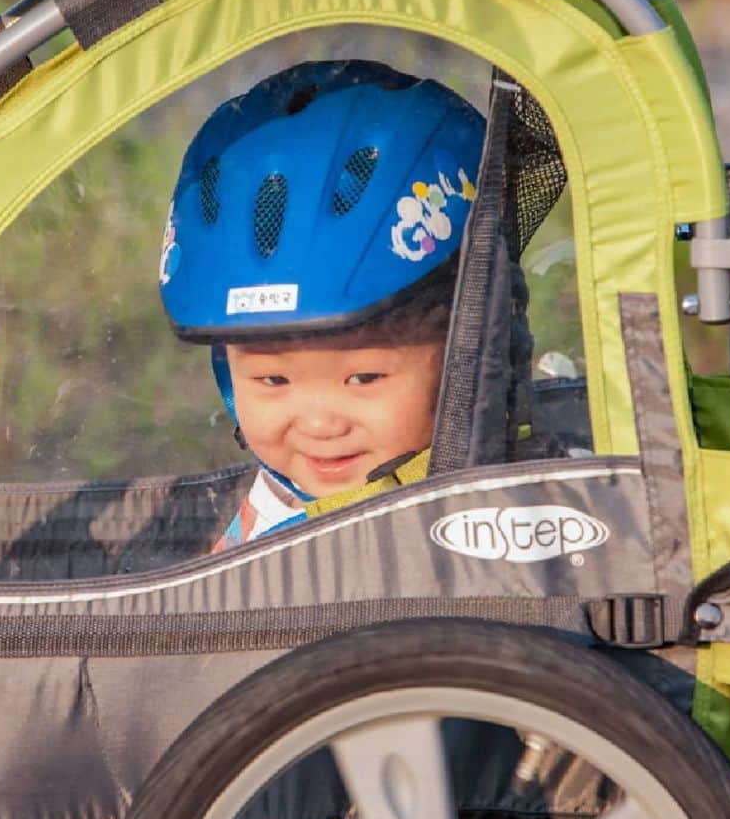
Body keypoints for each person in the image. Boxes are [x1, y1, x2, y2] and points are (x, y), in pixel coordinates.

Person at [158, 60, 486, 550]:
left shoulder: (503, 516)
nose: (319, 424)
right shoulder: (278, 493)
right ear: (227, 370)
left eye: (364, 378)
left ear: (465, 352)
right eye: (273, 380)